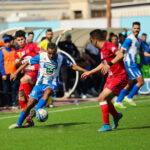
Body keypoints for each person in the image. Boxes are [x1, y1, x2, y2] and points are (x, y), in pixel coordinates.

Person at [8, 43, 87, 129]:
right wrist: (15, 72)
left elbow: (72, 66)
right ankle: (19, 123)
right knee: (30, 103)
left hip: (52, 84)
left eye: (53, 53)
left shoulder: (61, 58)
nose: (51, 55)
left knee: (48, 91)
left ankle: (36, 110)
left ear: (56, 51)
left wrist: (85, 71)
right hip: (40, 84)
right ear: (47, 51)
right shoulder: (41, 56)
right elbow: (27, 63)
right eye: (49, 53)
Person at [81, 29, 128, 132]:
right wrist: (90, 72)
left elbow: (120, 55)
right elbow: (103, 64)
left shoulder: (109, 45)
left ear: (94, 40)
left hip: (119, 76)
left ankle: (106, 125)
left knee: (101, 98)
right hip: (111, 77)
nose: (91, 42)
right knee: (105, 99)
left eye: (91, 40)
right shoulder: (102, 49)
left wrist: (109, 65)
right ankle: (116, 116)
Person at [114, 22, 150, 109]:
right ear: (132, 28)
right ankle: (129, 97)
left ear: (140, 29)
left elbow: (142, 52)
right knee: (141, 81)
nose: (136, 30)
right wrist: (114, 63)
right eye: (135, 28)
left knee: (129, 84)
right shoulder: (129, 39)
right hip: (129, 64)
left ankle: (118, 101)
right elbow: (121, 50)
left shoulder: (138, 40)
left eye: (138, 28)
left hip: (134, 64)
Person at [14, 30, 40, 126]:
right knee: (20, 95)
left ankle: (32, 102)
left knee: (23, 80)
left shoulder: (32, 46)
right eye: (18, 40)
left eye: (22, 39)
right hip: (27, 74)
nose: (21, 41)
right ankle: (29, 120)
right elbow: (16, 63)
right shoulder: (17, 52)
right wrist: (19, 60)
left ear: (25, 39)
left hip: (35, 71)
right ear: (16, 41)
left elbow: (40, 52)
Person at [58, 32, 80, 97]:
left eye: (69, 37)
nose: (68, 38)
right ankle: (66, 91)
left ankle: (71, 90)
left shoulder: (72, 45)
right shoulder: (62, 43)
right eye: (67, 37)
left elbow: (77, 52)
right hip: (64, 62)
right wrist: (59, 36)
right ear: (65, 38)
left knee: (71, 77)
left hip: (71, 62)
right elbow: (56, 44)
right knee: (65, 77)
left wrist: (75, 57)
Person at [0, 36, 18, 107]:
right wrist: (3, 74)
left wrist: (16, 72)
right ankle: (6, 103)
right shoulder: (2, 52)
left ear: (10, 42)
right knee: (5, 90)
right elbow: (1, 64)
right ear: (4, 43)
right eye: (6, 42)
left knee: (14, 89)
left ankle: (14, 102)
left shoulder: (14, 51)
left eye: (8, 42)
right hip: (6, 74)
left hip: (13, 73)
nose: (7, 43)